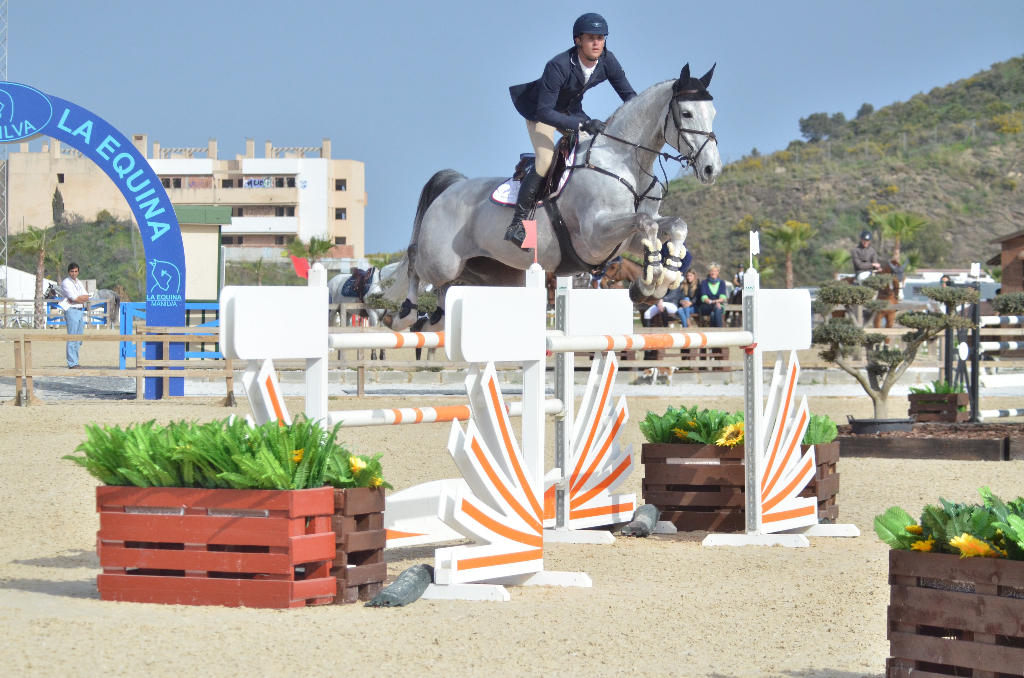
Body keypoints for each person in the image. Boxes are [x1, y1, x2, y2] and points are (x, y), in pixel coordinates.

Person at [505, 12, 637, 246]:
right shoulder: (558, 65)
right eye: (591, 38)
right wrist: (581, 124)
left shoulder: (608, 61)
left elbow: (630, 97)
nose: (597, 43)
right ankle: (517, 224)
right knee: (545, 160)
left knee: (600, 147)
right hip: (540, 113)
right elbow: (546, 111)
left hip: (570, 110)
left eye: (601, 38)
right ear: (578, 40)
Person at [60, 262, 90, 369]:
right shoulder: (66, 283)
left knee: (79, 337)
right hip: (71, 310)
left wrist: (79, 298)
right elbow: (75, 298)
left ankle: (75, 361)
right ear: (69, 272)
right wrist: (79, 298)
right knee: (72, 337)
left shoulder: (78, 283)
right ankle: (72, 363)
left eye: (76, 271)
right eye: (72, 271)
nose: (74, 273)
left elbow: (87, 296)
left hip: (79, 310)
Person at [698, 263, 728, 327]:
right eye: (711, 271)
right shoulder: (704, 282)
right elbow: (704, 298)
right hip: (706, 306)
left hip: (719, 305)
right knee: (716, 308)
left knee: (713, 313)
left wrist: (717, 302)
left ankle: (714, 330)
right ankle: (719, 330)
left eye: (715, 271)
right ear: (709, 272)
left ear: (718, 272)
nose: (713, 273)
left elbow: (723, 297)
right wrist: (713, 302)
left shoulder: (722, 283)